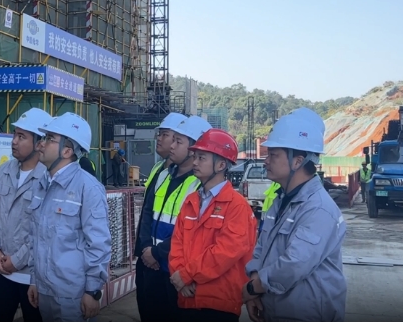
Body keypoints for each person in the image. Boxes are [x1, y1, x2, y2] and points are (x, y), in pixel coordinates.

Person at [243, 109, 347, 322]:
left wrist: (253, 288)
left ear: (297, 161)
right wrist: (255, 284)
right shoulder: (281, 200)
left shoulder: (318, 209)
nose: (266, 161)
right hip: (274, 309)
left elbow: (294, 264)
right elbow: (261, 247)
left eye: (273, 155)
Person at [26, 112, 112, 321]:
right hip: (44, 290)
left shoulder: (88, 188)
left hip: (73, 296)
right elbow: (36, 237)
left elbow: (98, 243)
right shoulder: (42, 184)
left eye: (49, 139)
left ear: (67, 150)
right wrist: (34, 280)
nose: (41, 144)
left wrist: (92, 290)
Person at [169, 129, 257, 322]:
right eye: (195, 157)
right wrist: (180, 277)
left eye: (201, 158)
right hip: (186, 298)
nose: (195, 162)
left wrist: (186, 274)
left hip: (219, 304)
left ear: (221, 165)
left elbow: (226, 251)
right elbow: (177, 244)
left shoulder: (236, 206)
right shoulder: (191, 201)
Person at [134, 114, 210, 322]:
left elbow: (191, 231)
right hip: (151, 265)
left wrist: (157, 253)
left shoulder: (199, 185)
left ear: (194, 148)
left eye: (178, 141)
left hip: (176, 270)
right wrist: (146, 248)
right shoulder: (163, 174)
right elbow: (147, 214)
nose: (172, 146)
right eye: (172, 139)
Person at [0, 107, 52, 321]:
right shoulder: (5, 171)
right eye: (14, 134)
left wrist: (18, 259)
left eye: (22, 137)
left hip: (34, 278)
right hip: (3, 272)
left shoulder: (48, 179)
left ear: (40, 142)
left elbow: (45, 230)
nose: (14, 141)